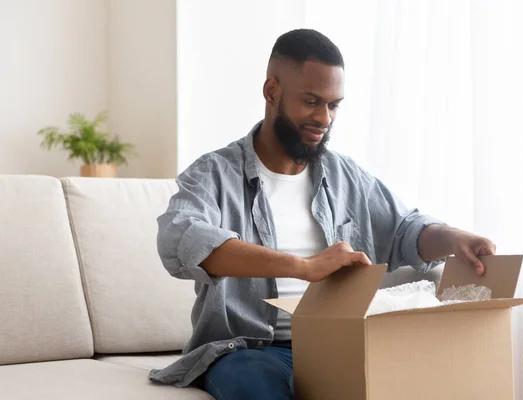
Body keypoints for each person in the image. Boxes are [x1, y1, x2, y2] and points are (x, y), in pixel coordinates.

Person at [149, 28, 496, 399]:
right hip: (248, 350)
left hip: (339, 344)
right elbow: (181, 237)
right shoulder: (215, 174)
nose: (324, 118)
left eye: (333, 105)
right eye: (311, 101)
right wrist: (302, 267)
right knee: (255, 385)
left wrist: (453, 237)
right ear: (272, 92)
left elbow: (405, 231)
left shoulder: (345, 176)